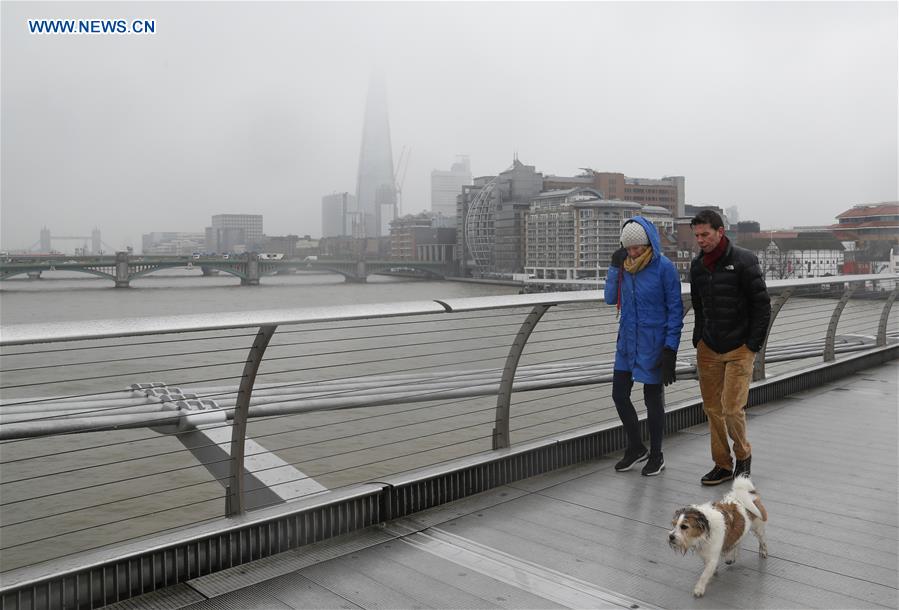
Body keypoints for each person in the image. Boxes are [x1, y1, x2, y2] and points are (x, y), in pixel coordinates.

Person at [689, 209, 771, 485]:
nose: (700, 240)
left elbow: (762, 306)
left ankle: (743, 456)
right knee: (712, 408)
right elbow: (699, 307)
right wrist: (698, 339)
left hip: (739, 347)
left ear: (720, 232)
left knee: (732, 408)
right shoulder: (698, 267)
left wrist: (752, 345)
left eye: (705, 234)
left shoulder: (744, 260)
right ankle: (722, 465)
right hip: (709, 347)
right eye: (697, 235)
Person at [605, 216, 683, 476]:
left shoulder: (664, 268)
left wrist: (670, 348)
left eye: (636, 247)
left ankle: (657, 455)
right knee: (619, 394)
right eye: (628, 248)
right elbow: (608, 299)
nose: (632, 252)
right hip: (627, 342)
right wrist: (614, 268)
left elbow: (675, 310)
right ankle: (637, 447)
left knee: (652, 400)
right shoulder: (624, 267)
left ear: (648, 243)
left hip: (654, 343)